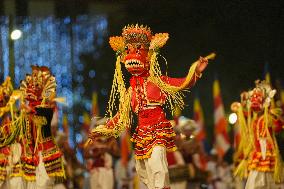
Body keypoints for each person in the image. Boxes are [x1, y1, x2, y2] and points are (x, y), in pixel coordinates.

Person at [88, 24, 214, 189]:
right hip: (141, 133)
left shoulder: (158, 81)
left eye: (138, 50)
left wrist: (196, 71)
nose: (132, 56)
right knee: (143, 172)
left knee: (157, 166)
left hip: (158, 129)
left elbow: (182, 83)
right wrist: (102, 129)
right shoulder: (131, 90)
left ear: (149, 56)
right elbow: (121, 116)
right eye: (129, 50)